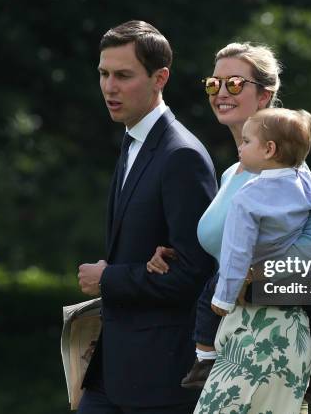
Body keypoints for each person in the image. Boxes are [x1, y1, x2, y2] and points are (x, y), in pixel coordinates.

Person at [147, 43, 311, 414]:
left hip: (272, 330)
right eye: (214, 84)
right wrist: (175, 253)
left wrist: (256, 276)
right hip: (234, 330)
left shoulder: (285, 171)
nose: (221, 93)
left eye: (235, 84)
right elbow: (234, 243)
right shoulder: (232, 172)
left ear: (265, 95)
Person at [76, 20, 218, 414]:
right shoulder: (132, 138)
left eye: (123, 75)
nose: (109, 87)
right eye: (104, 74)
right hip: (115, 370)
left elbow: (196, 273)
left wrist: (109, 277)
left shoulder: (182, 156)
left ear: (161, 78)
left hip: (160, 380)